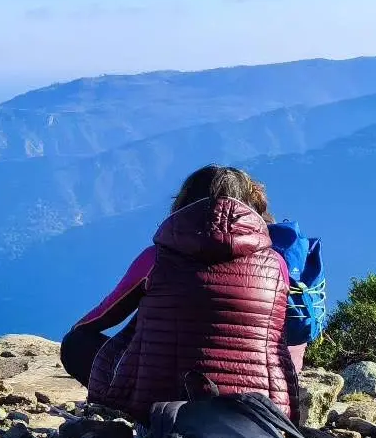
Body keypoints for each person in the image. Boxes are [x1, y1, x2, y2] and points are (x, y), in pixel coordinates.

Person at [60, 165, 297, 423]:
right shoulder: (277, 266)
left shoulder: (155, 258)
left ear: (185, 202)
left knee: (76, 343)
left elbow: (97, 320)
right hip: (256, 416)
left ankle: (124, 413)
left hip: (156, 408)